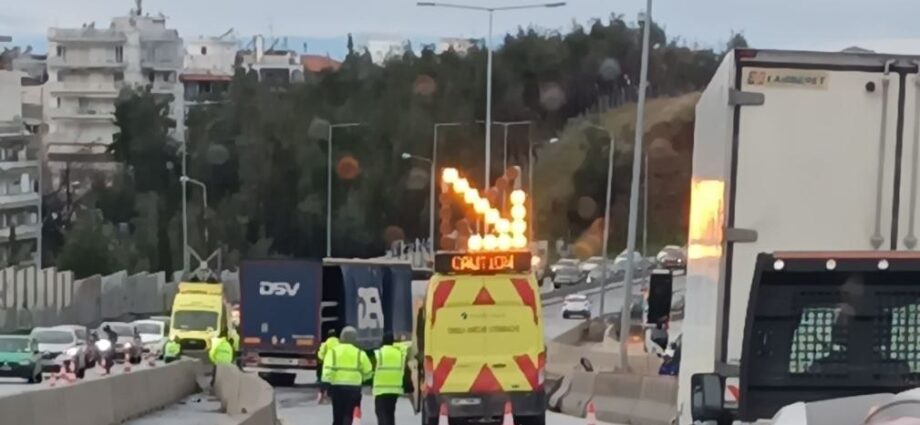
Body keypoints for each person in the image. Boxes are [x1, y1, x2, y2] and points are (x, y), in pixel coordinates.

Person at [323, 326, 372, 425]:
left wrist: (326, 386)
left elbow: (327, 372)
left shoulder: (333, 352)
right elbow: (368, 372)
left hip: (337, 388)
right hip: (354, 388)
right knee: (349, 414)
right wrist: (363, 379)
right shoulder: (360, 353)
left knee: (337, 414)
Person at [373, 333, 413, 425]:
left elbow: (371, 370)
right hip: (394, 390)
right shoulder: (399, 354)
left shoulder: (379, 354)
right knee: (390, 414)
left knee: (382, 414)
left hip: (381, 391)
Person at [317, 328, 340, 404]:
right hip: (337, 366)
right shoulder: (339, 343)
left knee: (325, 381)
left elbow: (320, 355)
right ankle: (331, 396)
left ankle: (321, 395)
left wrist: (324, 359)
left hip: (327, 365)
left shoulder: (325, 344)